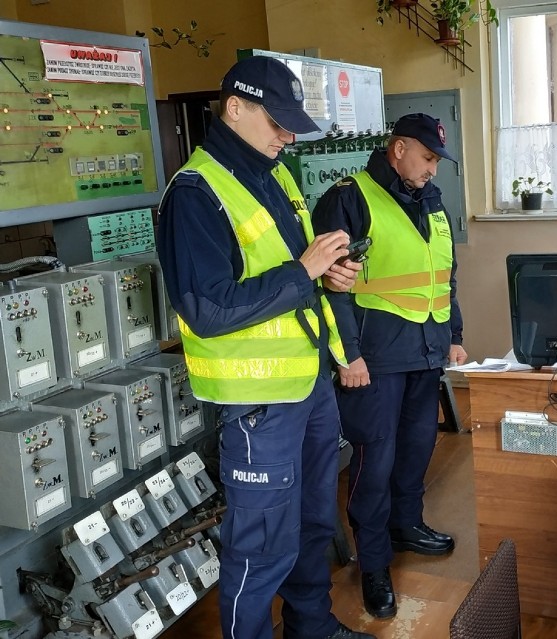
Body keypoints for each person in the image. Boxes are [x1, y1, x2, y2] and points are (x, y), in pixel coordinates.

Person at [157, 55, 374, 639]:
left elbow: (287, 273)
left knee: (309, 525)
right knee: (259, 550)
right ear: (234, 108)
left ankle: (313, 628)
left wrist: (329, 274)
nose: (287, 134)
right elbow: (206, 307)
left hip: (309, 384)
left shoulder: (275, 172)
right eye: (277, 120)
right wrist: (305, 271)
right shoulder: (196, 193)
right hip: (258, 405)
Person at [311, 112, 468, 620]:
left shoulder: (430, 199)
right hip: (374, 359)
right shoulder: (349, 198)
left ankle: (407, 524)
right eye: (427, 159)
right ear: (399, 149)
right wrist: (347, 353)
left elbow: (444, 272)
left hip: (425, 349)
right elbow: (327, 285)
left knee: (418, 449)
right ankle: (374, 561)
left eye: (436, 162)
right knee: (374, 461)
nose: (432, 170)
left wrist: (455, 335)